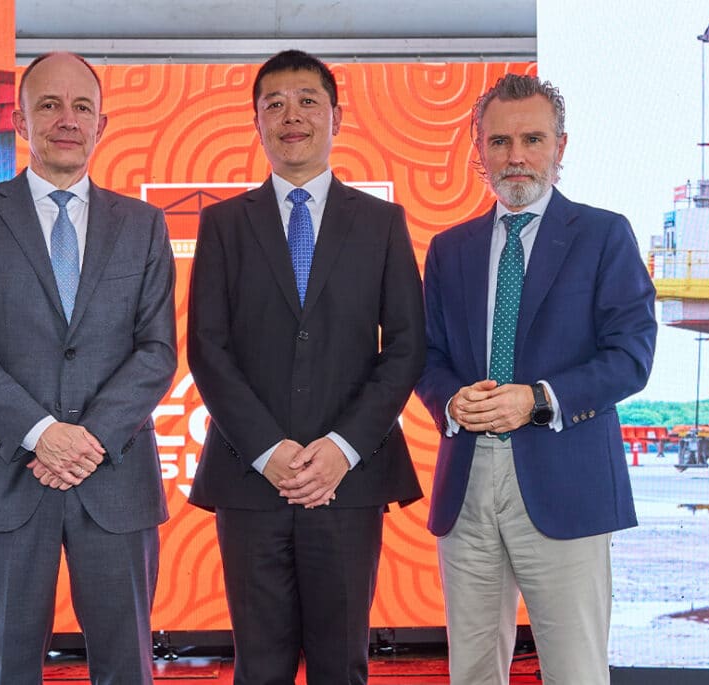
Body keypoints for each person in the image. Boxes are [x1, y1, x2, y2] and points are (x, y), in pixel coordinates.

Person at [0, 51, 177, 685]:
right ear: (20, 121)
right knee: (8, 668)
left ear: (102, 124)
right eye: (48, 105)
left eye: (81, 107)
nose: (67, 119)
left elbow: (156, 352)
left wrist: (85, 440)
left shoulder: (144, 225)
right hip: (4, 479)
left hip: (114, 478)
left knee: (127, 668)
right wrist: (43, 434)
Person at [186, 49, 426, 684]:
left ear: (336, 118)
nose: (291, 116)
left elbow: (404, 347)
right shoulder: (223, 225)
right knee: (258, 665)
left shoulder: (381, 223)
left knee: (341, 665)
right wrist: (271, 451)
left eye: (307, 101)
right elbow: (208, 350)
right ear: (257, 122)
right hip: (249, 480)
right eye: (274, 104)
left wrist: (341, 449)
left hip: (350, 482)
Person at [414, 74, 657, 685]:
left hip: (567, 483)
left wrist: (539, 400)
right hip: (466, 486)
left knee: (575, 671)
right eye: (498, 142)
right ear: (479, 149)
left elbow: (632, 354)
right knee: (471, 671)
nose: (514, 156)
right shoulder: (450, 249)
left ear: (561, 146)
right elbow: (426, 355)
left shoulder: (604, 235)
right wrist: (452, 401)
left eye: (531, 139)